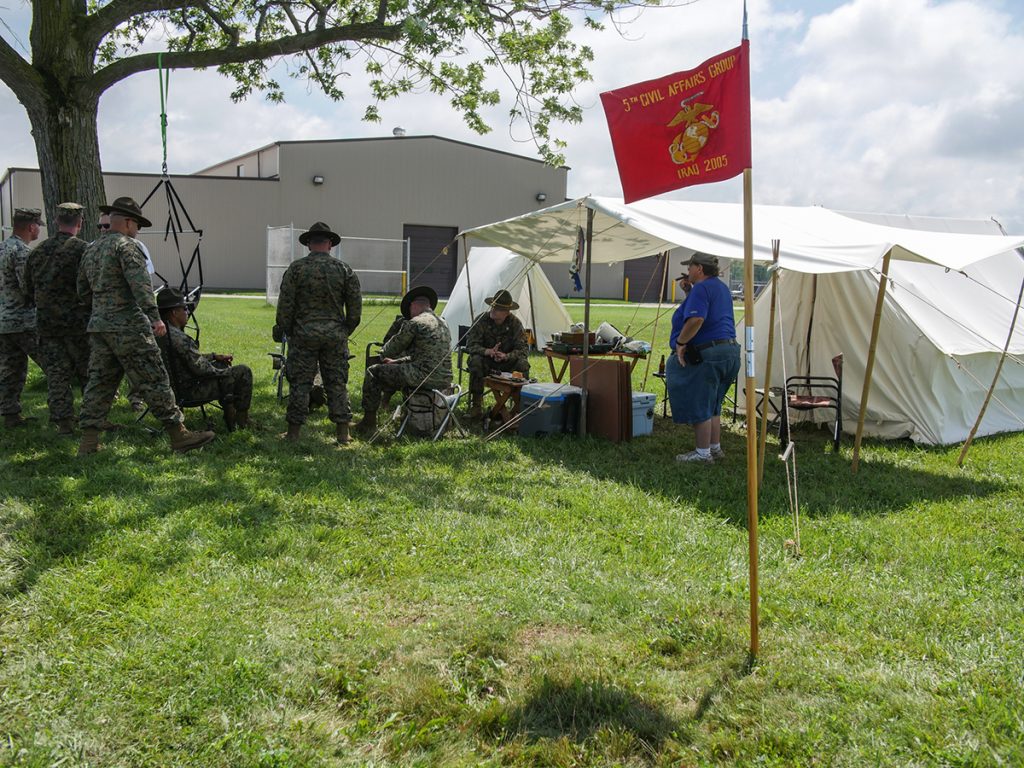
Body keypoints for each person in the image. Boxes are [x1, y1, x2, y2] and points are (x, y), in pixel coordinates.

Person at [76, 196, 215, 455]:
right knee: (154, 378)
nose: (137, 230)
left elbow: (82, 292)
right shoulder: (128, 247)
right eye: (137, 225)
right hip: (129, 326)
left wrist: (102, 311)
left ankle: (88, 442)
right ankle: (179, 435)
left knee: (99, 382)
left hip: (100, 327)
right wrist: (155, 317)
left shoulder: (91, 249)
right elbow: (141, 287)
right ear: (128, 222)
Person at [276, 221, 361, 444]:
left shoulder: (296, 268)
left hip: (303, 335)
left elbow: (285, 306)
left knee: (300, 383)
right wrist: (343, 330)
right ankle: (343, 434)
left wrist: (286, 329)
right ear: (330, 244)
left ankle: (293, 434)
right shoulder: (344, 270)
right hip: (335, 336)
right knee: (336, 382)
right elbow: (355, 311)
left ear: (308, 244)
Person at [23, 202, 92, 434]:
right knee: (87, 373)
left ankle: (63, 422)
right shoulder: (84, 250)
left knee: (57, 374)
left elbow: (27, 290)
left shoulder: (37, 252)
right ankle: (92, 419)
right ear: (80, 223)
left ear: (56, 221)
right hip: (78, 325)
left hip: (47, 325)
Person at [667, 252, 740, 463]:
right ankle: (714, 448)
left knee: (700, 401)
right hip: (730, 352)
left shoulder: (701, 288)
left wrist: (680, 344)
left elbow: (697, 318)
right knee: (713, 403)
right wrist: (690, 293)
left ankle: (702, 453)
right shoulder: (720, 287)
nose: (687, 271)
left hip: (709, 353)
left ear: (699, 268)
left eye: (689, 267)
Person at [354, 286, 452, 438]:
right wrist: (398, 361)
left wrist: (387, 355)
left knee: (373, 372)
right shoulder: (443, 323)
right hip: (444, 378)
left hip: (422, 376)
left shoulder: (414, 323)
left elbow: (390, 349)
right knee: (394, 368)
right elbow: (425, 356)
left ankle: (368, 423)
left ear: (414, 305)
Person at [157, 288, 253, 430]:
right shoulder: (179, 339)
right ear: (174, 313)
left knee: (221, 365)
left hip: (171, 389)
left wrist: (214, 357)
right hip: (189, 392)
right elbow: (202, 370)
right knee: (243, 371)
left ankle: (231, 416)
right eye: (185, 308)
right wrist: (227, 370)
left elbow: (187, 358)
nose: (188, 312)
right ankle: (242, 419)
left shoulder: (162, 334)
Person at [0, 207, 45, 428]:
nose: (39, 231)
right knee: (51, 363)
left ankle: (10, 415)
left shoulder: (1, 249)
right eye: (38, 226)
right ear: (31, 226)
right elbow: (27, 287)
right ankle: (62, 413)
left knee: (10, 368)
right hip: (24, 320)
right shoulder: (22, 252)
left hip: (3, 321)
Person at [464, 289, 529, 418]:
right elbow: (471, 345)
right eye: (493, 306)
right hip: (486, 362)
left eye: (498, 308)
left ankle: (518, 406)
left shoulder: (515, 324)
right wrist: (487, 351)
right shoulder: (481, 320)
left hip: (507, 364)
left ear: (507, 312)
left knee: (523, 364)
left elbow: (523, 349)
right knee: (475, 361)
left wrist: (506, 356)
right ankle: (476, 406)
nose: (493, 310)